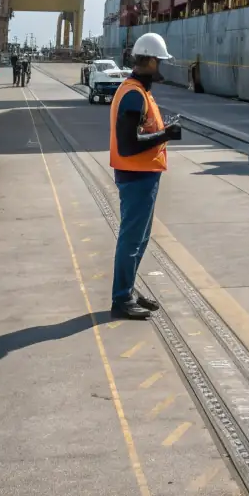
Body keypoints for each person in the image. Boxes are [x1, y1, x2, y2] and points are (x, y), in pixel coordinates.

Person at [109, 32, 182, 320]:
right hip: (136, 175)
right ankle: (121, 298)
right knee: (132, 239)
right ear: (149, 61)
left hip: (144, 175)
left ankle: (127, 289)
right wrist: (166, 134)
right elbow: (127, 145)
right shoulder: (132, 95)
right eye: (159, 61)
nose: (161, 67)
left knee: (139, 239)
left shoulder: (138, 91)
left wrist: (161, 132)